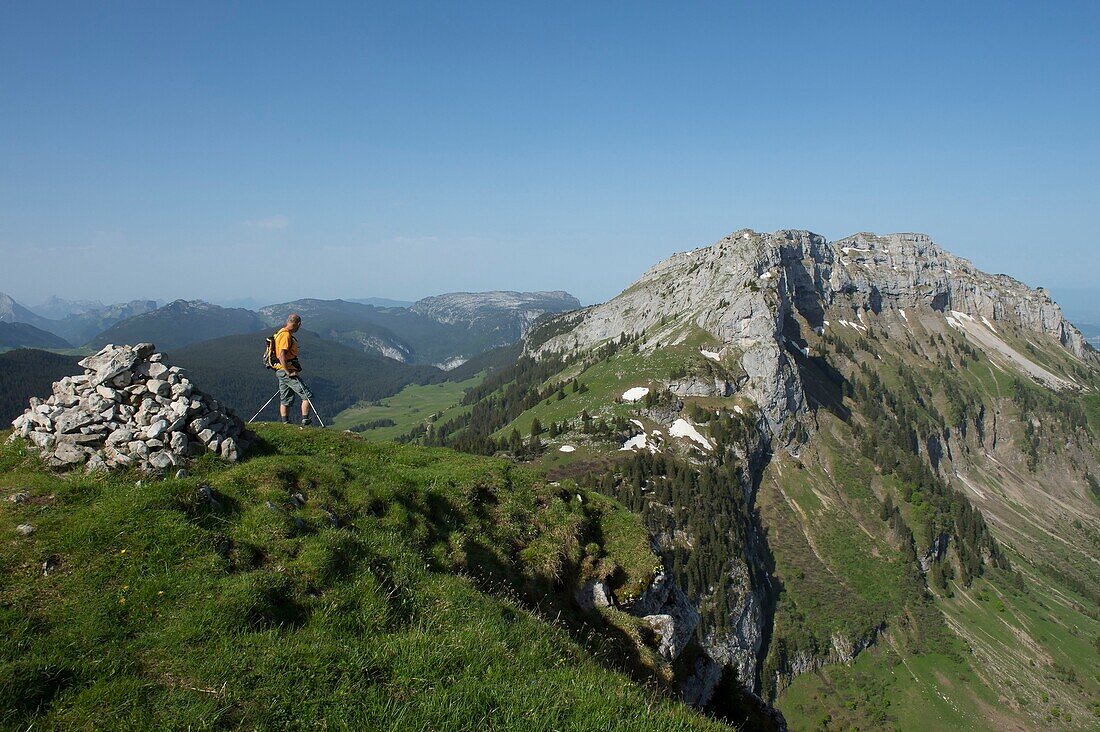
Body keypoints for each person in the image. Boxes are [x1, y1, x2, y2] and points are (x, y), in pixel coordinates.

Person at [273, 313, 315, 426]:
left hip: (280, 370)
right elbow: (281, 354)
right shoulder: (286, 335)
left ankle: (285, 422)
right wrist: (288, 372)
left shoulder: (280, 333)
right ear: (298, 324)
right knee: (307, 395)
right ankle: (305, 420)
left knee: (285, 397)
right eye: (299, 326)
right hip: (287, 371)